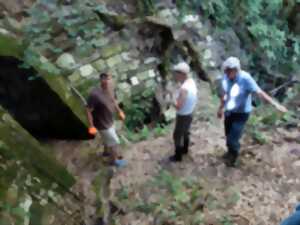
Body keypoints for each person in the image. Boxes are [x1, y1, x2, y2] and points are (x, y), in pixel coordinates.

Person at [217, 57, 288, 167]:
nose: (226, 73)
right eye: (226, 70)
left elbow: (260, 92)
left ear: (236, 70)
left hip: (241, 114)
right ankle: (229, 152)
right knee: (228, 135)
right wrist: (220, 108)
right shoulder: (226, 78)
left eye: (229, 71)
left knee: (233, 138)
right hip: (229, 111)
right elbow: (225, 95)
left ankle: (233, 158)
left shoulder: (246, 79)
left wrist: (276, 105)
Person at [86, 73, 126, 167]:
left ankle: (106, 153)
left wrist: (119, 111)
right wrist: (91, 126)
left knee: (108, 140)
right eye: (108, 80)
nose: (110, 82)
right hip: (102, 123)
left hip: (110, 119)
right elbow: (88, 110)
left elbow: (113, 100)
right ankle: (116, 161)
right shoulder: (95, 94)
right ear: (102, 81)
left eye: (111, 79)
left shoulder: (111, 89)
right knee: (114, 142)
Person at [169, 62, 198, 162]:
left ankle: (178, 156)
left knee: (177, 135)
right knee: (186, 132)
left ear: (181, 74)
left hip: (183, 115)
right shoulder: (191, 82)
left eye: (176, 73)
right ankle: (185, 149)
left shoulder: (184, 89)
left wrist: (172, 99)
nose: (174, 75)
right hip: (190, 112)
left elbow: (178, 106)